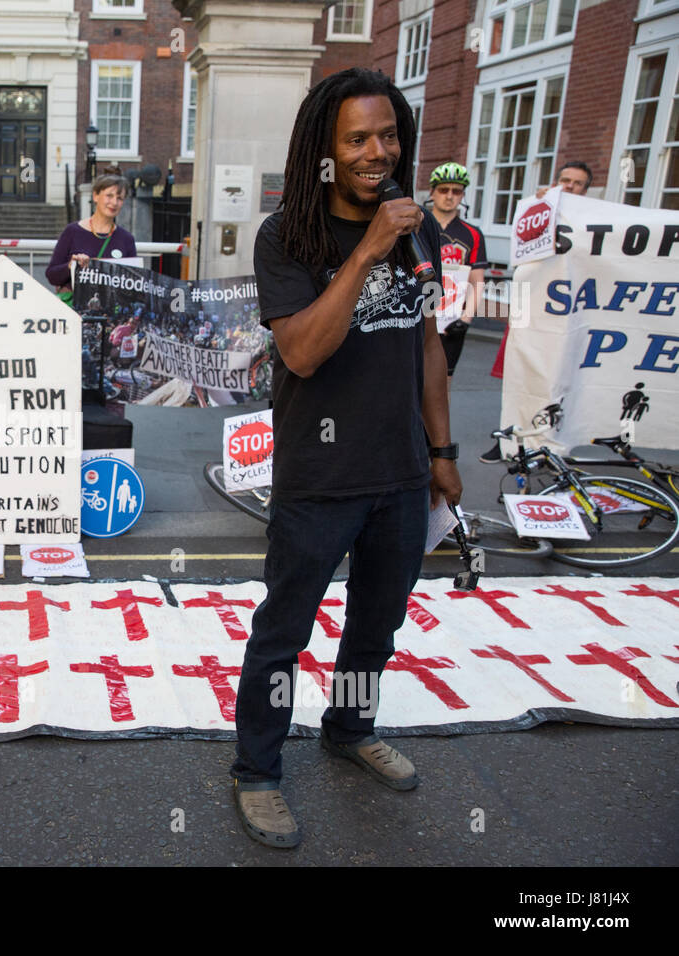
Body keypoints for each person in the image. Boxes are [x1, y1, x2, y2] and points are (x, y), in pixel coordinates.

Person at [230, 68, 461, 849]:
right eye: (358, 138)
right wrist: (366, 251)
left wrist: (442, 450)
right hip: (320, 479)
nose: (378, 151)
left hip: (399, 474)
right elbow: (299, 352)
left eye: (389, 135)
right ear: (323, 151)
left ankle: (349, 725)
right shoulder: (286, 235)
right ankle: (257, 770)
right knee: (284, 632)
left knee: (374, 625)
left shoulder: (418, 225)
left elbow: (428, 344)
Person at [481, 161, 592, 462]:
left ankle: (551, 444)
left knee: (560, 381)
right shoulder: (541, 211)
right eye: (564, 180)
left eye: (577, 183)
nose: (569, 186)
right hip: (535, 309)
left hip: (568, 315)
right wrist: (539, 205)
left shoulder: (593, 222)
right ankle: (510, 440)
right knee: (522, 376)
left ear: (586, 190)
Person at [427, 162, 488, 378]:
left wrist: (466, 318)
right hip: (420, 314)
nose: (450, 196)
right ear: (432, 192)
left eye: (457, 191)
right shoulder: (416, 225)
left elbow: (477, 280)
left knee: (444, 380)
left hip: (450, 318)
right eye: (444, 190)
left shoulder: (472, 234)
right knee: (410, 379)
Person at [45, 173, 138, 294]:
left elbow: (134, 284)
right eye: (109, 196)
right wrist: (71, 266)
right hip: (74, 310)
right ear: (95, 196)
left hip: (109, 311)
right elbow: (52, 276)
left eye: (119, 198)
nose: (114, 202)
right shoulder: (72, 231)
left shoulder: (126, 239)